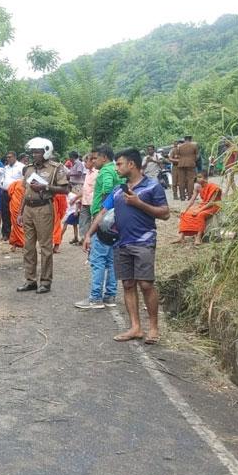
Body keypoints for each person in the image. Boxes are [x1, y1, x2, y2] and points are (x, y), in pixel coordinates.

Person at [85, 148, 170, 343]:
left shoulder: (152, 187)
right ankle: (135, 328)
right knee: (128, 284)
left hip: (144, 241)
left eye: (119, 164)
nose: (116, 168)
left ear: (131, 164)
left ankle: (153, 328)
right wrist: (89, 234)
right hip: (121, 243)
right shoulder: (118, 190)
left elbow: (165, 214)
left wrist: (139, 203)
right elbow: (102, 213)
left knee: (146, 284)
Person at [16, 138, 69, 293]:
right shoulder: (28, 169)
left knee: (45, 246)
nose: (34, 155)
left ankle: (45, 282)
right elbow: (25, 192)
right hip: (28, 209)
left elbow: (65, 189)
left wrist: (45, 187)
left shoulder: (56, 168)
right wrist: (20, 212)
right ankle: (30, 280)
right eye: (33, 152)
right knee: (28, 246)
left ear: (46, 152)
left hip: (44, 208)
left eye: (38, 152)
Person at [75, 145, 123, 309]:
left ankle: (95, 297)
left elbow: (108, 189)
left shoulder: (106, 171)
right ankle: (110, 295)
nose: (93, 161)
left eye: (95, 158)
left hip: (104, 220)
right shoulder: (117, 170)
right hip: (115, 220)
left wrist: (104, 212)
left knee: (98, 260)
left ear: (104, 158)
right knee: (110, 260)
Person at [174, 169, 221, 246]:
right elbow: (192, 200)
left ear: (205, 178)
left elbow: (211, 203)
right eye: (197, 177)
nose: (197, 179)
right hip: (204, 205)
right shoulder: (197, 187)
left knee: (200, 215)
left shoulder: (214, 187)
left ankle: (198, 237)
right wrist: (185, 209)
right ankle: (181, 237)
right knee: (186, 214)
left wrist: (199, 211)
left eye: (200, 177)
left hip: (213, 206)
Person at [0, 151, 25, 241]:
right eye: (7, 157)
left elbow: (24, 180)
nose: (8, 159)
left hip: (16, 194)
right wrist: (2, 183)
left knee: (16, 213)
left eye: (10, 157)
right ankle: (6, 234)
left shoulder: (21, 166)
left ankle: (17, 234)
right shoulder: (6, 168)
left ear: (15, 157)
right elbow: (3, 178)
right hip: (5, 192)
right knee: (5, 213)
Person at [78, 153, 98, 241]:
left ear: (92, 161)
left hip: (93, 201)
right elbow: (85, 187)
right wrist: (77, 198)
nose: (85, 164)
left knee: (94, 220)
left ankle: (92, 238)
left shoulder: (97, 172)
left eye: (86, 162)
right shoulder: (88, 173)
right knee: (84, 220)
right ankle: (84, 238)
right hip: (85, 200)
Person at [173, 135, 199, 201]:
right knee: (190, 180)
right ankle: (190, 196)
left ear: (184, 139)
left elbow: (177, 156)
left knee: (181, 181)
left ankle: (182, 197)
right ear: (191, 139)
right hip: (191, 164)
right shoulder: (194, 146)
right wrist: (193, 160)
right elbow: (197, 156)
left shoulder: (179, 147)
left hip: (181, 164)